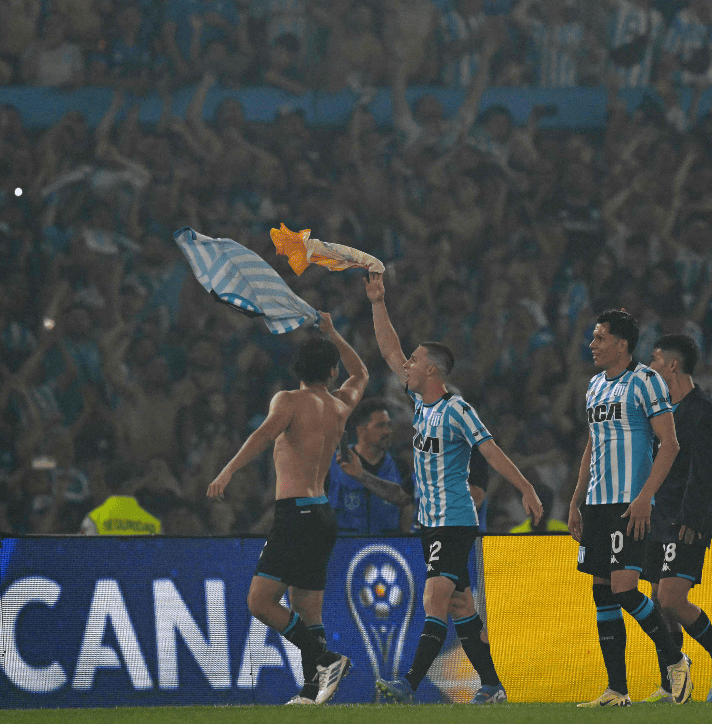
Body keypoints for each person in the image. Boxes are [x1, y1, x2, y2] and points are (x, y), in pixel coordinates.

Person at [365, 272, 543, 705]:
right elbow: (388, 349)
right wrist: (377, 301)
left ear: (430, 369)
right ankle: (493, 686)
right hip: (431, 522)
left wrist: (526, 488)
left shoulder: (456, 408)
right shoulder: (421, 407)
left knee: (436, 596)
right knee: (462, 606)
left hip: (455, 520)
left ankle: (407, 683)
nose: (403, 364)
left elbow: (492, 450)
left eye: (413, 360)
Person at [206, 313, 367, 706]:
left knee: (260, 602)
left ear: (298, 369)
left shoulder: (289, 401)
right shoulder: (341, 404)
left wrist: (227, 471)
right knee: (307, 610)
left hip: (295, 515)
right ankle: (313, 691)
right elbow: (360, 372)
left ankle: (328, 660)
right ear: (331, 371)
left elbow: (263, 434)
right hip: (322, 514)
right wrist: (334, 333)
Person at [567, 309, 686, 707]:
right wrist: (576, 499)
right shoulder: (595, 386)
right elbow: (592, 444)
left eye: (599, 338)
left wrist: (644, 498)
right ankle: (617, 690)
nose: (592, 345)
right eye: (593, 337)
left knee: (625, 590)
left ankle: (675, 659)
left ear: (621, 344)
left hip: (628, 503)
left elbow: (669, 444)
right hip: (598, 503)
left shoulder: (646, 381)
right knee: (602, 593)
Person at [642, 334, 712, 704]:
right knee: (658, 603)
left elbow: (709, 470)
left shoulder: (704, 411)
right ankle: (672, 684)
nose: (649, 367)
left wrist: (694, 516)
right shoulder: (661, 410)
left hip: (686, 519)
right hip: (656, 518)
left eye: (654, 360)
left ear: (672, 364)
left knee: (670, 599)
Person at [329, 398, 415, 536]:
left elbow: (407, 505)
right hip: (346, 550)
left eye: (389, 425)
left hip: (388, 550)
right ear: (361, 430)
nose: (388, 431)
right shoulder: (334, 464)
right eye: (380, 425)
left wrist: (405, 540)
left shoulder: (400, 466)